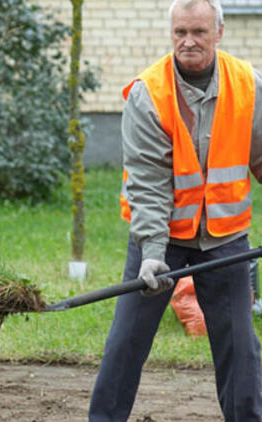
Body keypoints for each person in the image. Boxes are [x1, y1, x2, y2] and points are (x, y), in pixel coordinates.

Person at [89, 0, 262, 420]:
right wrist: (151, 253)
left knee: (241, 348)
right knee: (126, 342)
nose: (188, 41)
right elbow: (147, 185)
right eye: (180, 32)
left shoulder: (248, 85)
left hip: (224, 239)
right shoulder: (150, 94)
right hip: (161, 241)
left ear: (219, 33)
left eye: (199, 32)